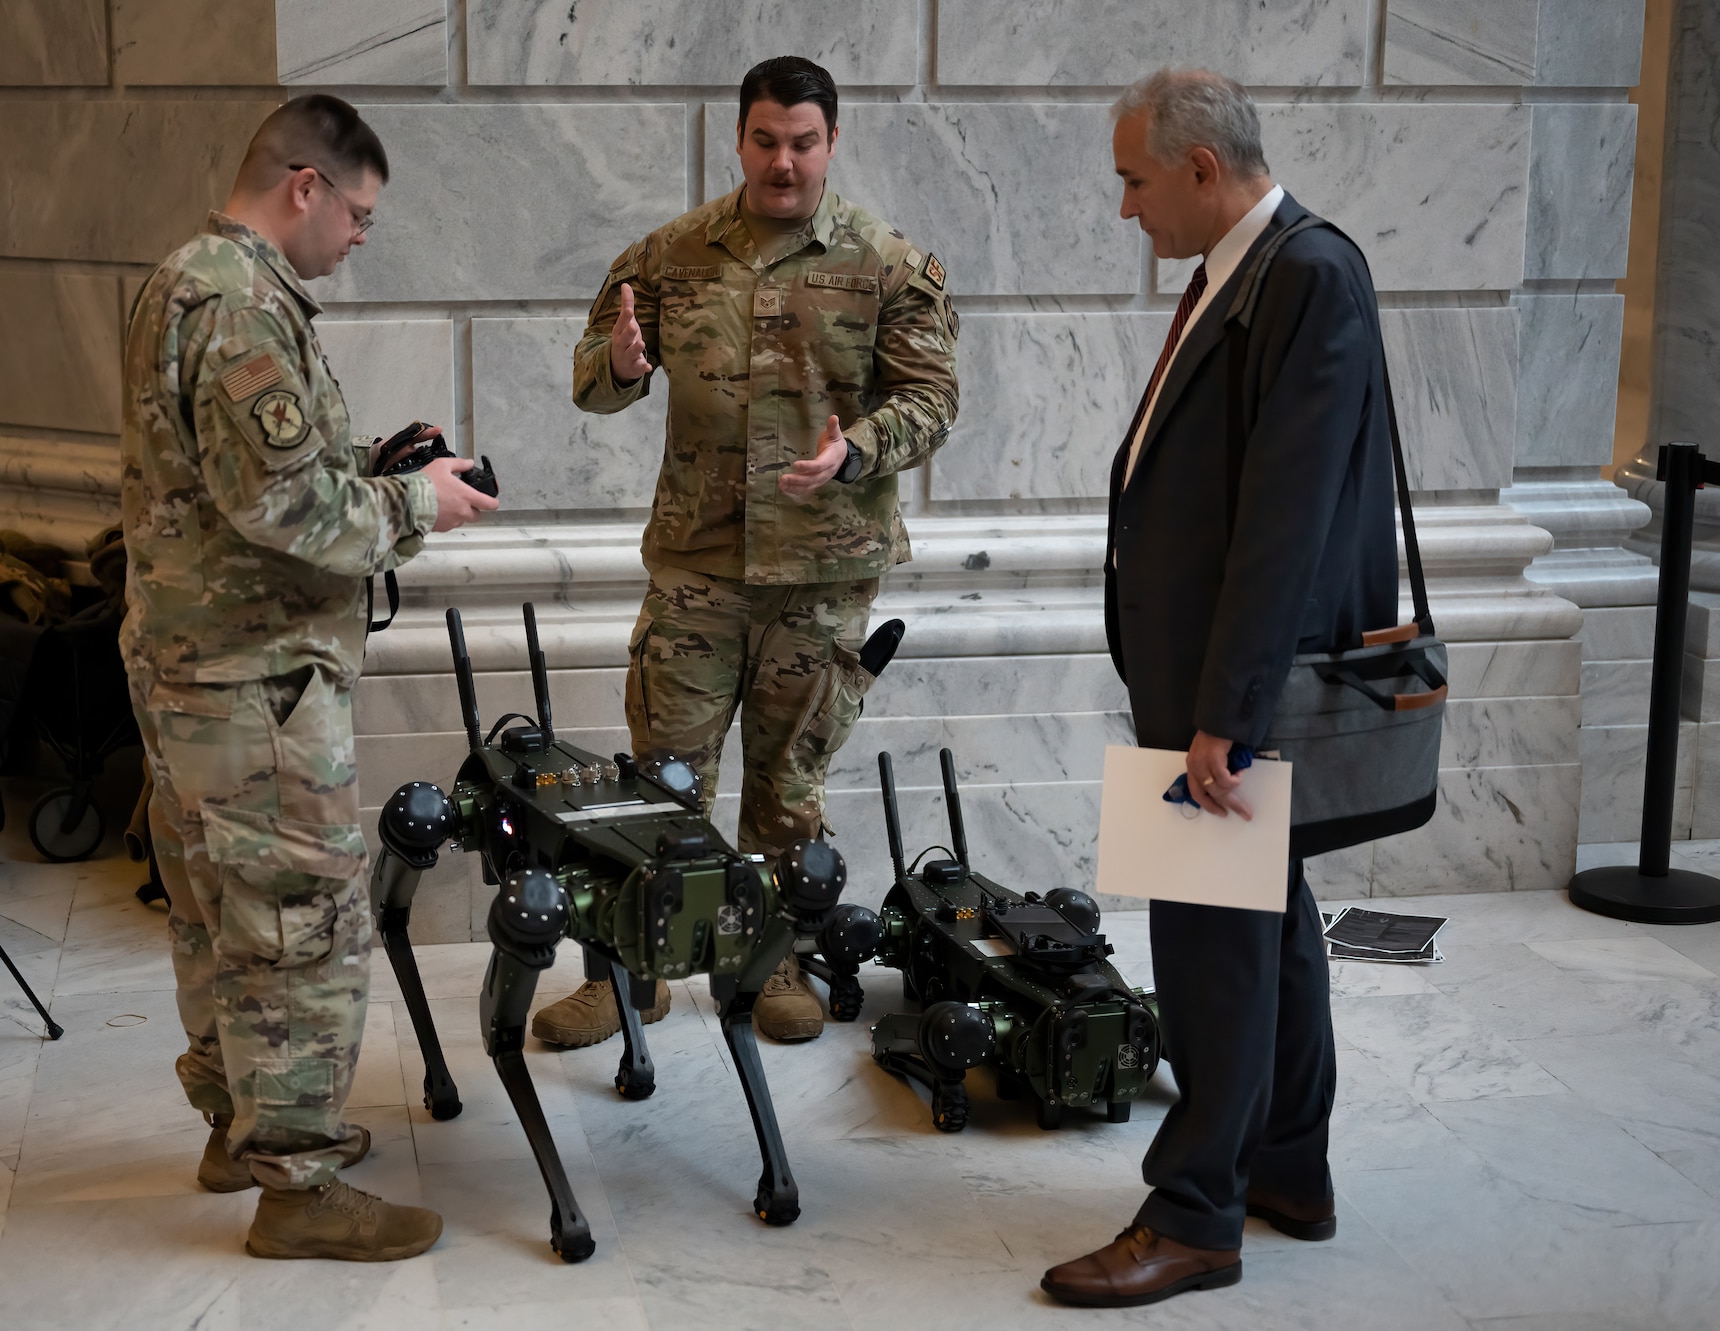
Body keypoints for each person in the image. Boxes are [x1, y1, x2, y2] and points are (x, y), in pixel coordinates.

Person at [1040, 69, 1400, 1307]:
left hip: (1223, 692)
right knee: (1267, 921)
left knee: (1210, 947)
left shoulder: (1305, 273)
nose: (1126, 207)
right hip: (1200, 677)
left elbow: (1285, 520)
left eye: (1134, 181)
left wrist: (1225, 717)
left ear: (1199, 169)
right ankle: (1286, 1167)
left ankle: (1195, 1211)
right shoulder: (1246, 271)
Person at [119, 94, 498, 1262]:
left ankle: (238, 1127)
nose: (360, 237)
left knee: (213, 915)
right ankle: (299, 1183)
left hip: (193, 663)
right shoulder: (238, 306)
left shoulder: (184, 278)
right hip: (255, 683)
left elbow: (238, 478)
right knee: (296, 926)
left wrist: (369, 463)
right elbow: (287, 506)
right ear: (304, 186)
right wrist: (415, 502)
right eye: (360, 212)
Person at [538, 55, 959, 1048]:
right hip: (697, 570)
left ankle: (765, 963)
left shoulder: (885, 261)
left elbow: (933, 400)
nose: (782, 162)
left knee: (787, 788)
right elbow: (589, 381)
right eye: (764, 140)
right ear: (738, 139)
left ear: (831, 141)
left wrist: (855, 448)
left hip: (821, 576)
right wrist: (620, 364)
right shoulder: (670, 256)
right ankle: (629, 973)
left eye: (802, 142)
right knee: (658, 783)